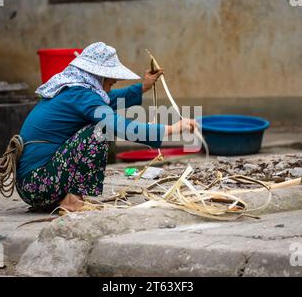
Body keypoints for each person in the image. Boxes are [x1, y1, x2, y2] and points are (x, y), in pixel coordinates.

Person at [15, 42, 196, 212]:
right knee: (100, 130)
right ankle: (72, 199)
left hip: (33, 185)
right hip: (38, 184)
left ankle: (64, 197)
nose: (109, 88)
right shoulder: (80, 95)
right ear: (98, 77)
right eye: (109, 82)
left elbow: (107, 99)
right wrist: (173, 129)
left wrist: (143, 87)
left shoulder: (72, 90)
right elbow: (120, 126)